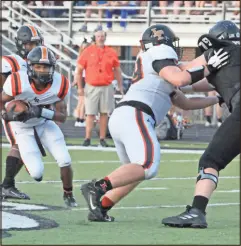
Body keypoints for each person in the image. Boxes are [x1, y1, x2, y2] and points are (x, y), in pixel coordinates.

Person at [80, 24, 229, 222]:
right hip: (137, 114)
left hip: (126, 115)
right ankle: (97, 187)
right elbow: (181, 78)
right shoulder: (160, 52)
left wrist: (219, 98)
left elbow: (185, 101)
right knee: (148, 165)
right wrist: (209, 66)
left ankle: (101, 207)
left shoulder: (158, 69)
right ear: (161, 42)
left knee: (135, 172)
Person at [162, 20, 240, 228]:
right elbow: (200, 82)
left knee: (210, 161)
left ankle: (197, 211)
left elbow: (183, 75)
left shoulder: (219, 51)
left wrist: (161, 64)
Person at [1, 46, 77, 207]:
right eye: (38, 66)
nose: (42, 70)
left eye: (46, 67)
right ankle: (7, 184)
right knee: (36, 173)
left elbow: (62, 117)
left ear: (52, 68)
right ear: (30, 67)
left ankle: (68, 193)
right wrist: (6, 114)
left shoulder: (60, 84)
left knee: (64, 159)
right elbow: (2, 101)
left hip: (45, 124)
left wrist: (40, 112)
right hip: (22, 127)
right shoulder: (17, 81)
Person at [1, 24, 44, 200]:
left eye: (36, 43)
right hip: (12, 110)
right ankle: (7, 185)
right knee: (19, 145)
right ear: (21, 44)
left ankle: (7, 185)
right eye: (30, 44)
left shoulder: (33, 62)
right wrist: (6, 111)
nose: (34, 48)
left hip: (24, 111)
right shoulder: (10, 61)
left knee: (25, 145)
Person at [74, 30, 123, 147]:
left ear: (105, 37)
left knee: (104, 113)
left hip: (106, 85)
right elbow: (79, 71)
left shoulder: (111, 52)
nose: (100, 38)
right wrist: (80, 87)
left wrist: (120, 86)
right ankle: (87, 138)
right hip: (92, 86)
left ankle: (102, 138)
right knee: (90, 113)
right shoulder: (87, 51)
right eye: (98, 36)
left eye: (102, 36)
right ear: (95, 38)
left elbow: (117, 70)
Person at [72, 38, 91, 127]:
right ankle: (81, 119)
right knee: (84, 101)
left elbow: (77, 71)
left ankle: (79, 119)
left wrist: (75, 80)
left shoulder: (80, 56)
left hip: (81, 79)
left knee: (81, 101)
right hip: (83, 79)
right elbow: (79, 71)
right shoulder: (85, 57)